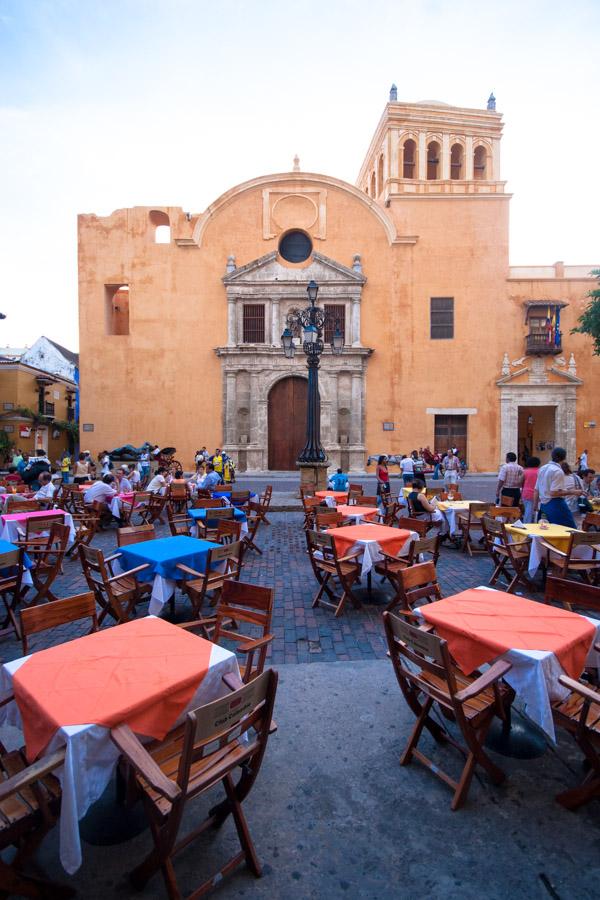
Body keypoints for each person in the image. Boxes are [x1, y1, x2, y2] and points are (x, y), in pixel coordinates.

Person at [533, 447, 579, 527]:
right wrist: (573, 491)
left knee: (546, 530)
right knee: (570, 529)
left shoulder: (542, 468)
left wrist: (535, 504)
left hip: (544, 505)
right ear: (564, 458)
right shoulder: (557, 471)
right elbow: (554, 493)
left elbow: (536, 489)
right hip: (555, 504)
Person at [521, 456, 540, 523]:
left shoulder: (525, 471)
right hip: (538, 494)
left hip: (526, 493)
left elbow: (521, 482)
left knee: (527, 512)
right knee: (536, 512)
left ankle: (526, 525)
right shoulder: (540, 471)